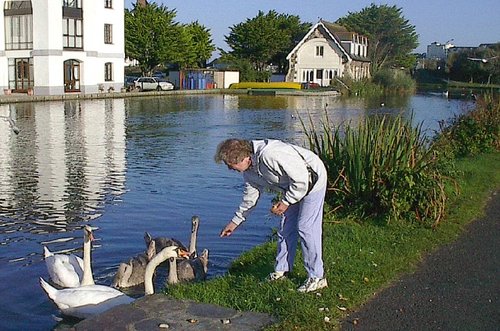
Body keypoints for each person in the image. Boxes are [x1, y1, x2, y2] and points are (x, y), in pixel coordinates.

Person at [215, 138, 328, 293]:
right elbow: (250, 199)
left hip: (313, 179)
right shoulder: (249, 171)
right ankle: (282, 271)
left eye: (230, 164)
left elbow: (302, 180)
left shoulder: (270, 154)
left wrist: (287, 201)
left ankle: (317, 277)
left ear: (243, 158)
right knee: (286, 228)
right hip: (292, 186)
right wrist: (235, 222)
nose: (229, 168)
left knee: (306, 227)